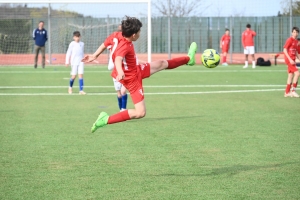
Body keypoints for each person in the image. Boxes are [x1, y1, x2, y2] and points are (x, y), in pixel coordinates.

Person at [82, 16, 197, 133]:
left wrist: (94, 55)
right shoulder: (125, 46)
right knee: (140, 113)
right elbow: (118, 59)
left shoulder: (116, 35)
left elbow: (104, 44)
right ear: (133, 35)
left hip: (135, 70)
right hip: (132, 79)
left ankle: (189, 59)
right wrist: (120, 71)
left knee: (161, 63)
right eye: (139, 32)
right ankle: (105, 119)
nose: (140, 33)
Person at [107, 25, 128, 111]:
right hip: (120, 68)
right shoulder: (124, 41)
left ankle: (122, 109)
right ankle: (122, 110)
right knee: (120, 92)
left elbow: (110, 50)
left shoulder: (113, 39)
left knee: (121, 92)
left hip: (115, 68)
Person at [283, 27, 300, 98]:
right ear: (291, 33)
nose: (295, 34)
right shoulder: (289, 40)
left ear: (298, 33)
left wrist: (299, 58)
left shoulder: (296, 41)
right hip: (289, 60)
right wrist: (289, 59)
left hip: (293, 60)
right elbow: (284, 50)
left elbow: (296, 51)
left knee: (290, 75)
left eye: (296, 32)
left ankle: (287, 92)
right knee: (297, 73)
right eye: (294, 32)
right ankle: (293, 91)